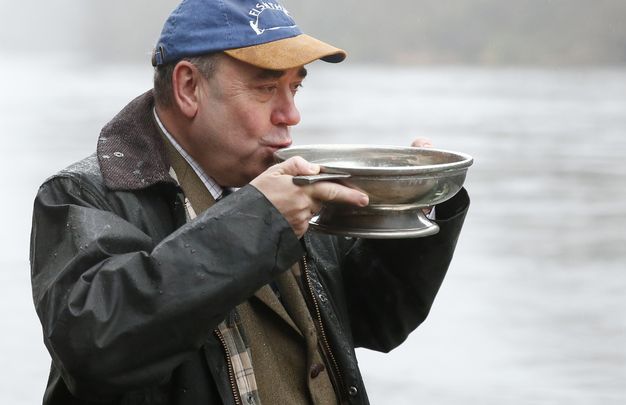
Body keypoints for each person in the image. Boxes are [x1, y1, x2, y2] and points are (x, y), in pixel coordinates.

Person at [29, 1, 469, 404]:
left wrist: (416, 203)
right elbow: (96, 349)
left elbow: (374, 319)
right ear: (188, 88)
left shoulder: (284, 186)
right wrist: (259, 221)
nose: (290, 114)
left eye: (294, 88)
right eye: (265, 88)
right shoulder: (82, 194)